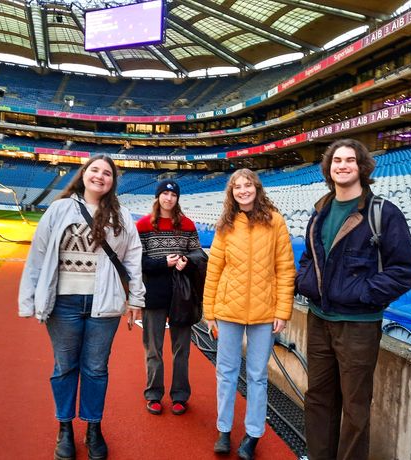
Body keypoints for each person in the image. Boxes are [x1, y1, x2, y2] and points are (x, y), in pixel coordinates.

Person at [295, 139, 411, 460]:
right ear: (328, 168)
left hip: (359, 325)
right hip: (319, 318)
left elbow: (404, 270)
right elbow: (309, 258)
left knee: (355, 407)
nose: (343, 165)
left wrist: (362, 295)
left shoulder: (383, 213)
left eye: (350, 160)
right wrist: (308, 283)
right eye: (337, 160)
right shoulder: (320, 210)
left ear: (362, 167)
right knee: (318, 398)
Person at [18, 155, 145, 460]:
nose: (100, 176)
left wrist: (137, 298)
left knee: (96, 369)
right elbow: (38, 255)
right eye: (95, 170)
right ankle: (64, 428)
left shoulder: (121, 215)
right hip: (64, 303)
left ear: (113, 182)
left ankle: (92, 427)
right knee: (64, 367)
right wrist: (28, 300)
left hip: (105, 304)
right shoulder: (60, 209)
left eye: (107, 173)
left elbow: (133, 259)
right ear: (84, 174)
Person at [203, 168, 296, 460]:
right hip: (228, 310)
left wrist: (283, 309)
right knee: (226, 373)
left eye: (247, 185)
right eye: (237, 187)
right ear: (231, 193)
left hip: (264, 312)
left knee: (257, 376)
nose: (243, 190)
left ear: (257, 188)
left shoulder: (276, 222)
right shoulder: (225, 225)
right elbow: (214, 269)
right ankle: (224, 429)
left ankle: (253, 434)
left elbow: (285, 269)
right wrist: (209, 311)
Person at [136, 179, 203, 416]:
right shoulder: (143, 225)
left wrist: (188, 261)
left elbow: (198, 253)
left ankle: (180, 395)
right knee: (153, 349)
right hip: (153, 294)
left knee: (181, 349)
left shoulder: (187, 224)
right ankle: (153, 394)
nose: (168, 198)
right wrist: (163, 263)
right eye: (164, 193)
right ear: (158, 197)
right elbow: (137, 261)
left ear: (177, 199)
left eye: (173, 195)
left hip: (181, 295)